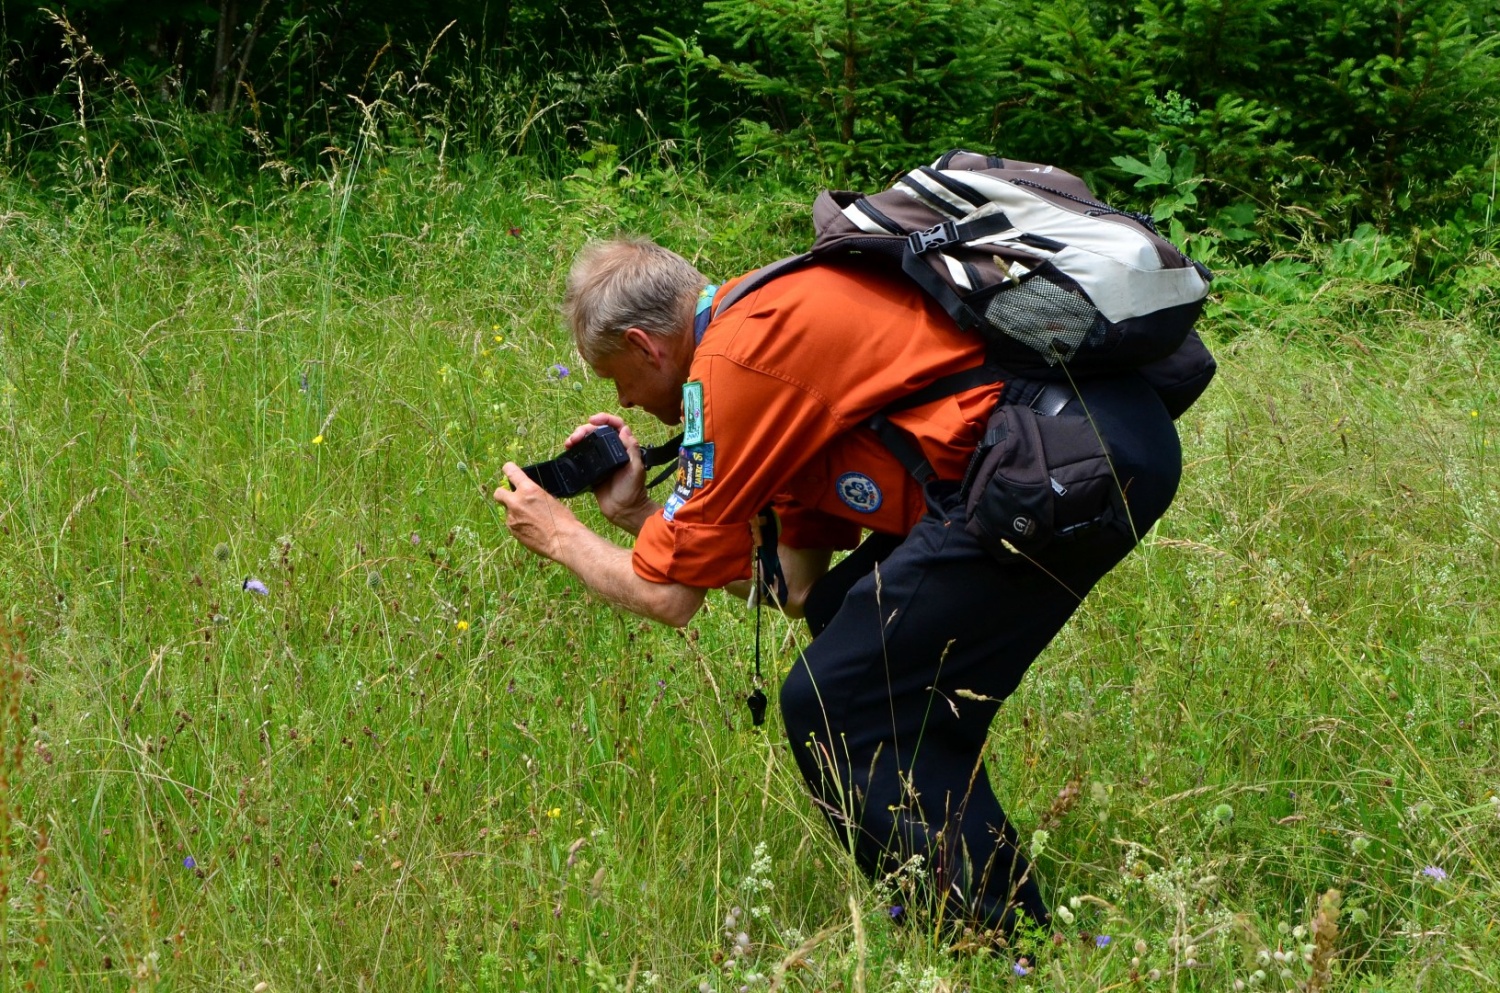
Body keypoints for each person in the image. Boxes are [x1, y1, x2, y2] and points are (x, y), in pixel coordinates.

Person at [493, 237, 1183, 936]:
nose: (625, 402)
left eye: (618, 380)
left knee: (837, 703)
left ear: (647, 345)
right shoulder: (762, 320)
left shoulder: (735, 360)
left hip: (1065, 463)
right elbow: (793, 585)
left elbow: (669, 599)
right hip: (1083, 449)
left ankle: (999, 947)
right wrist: (638, 515)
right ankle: (1000, 926)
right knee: (845, 624)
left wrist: (558, 533)